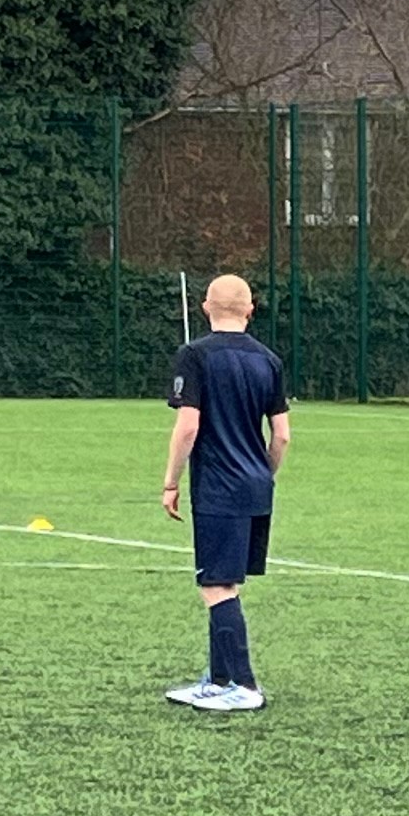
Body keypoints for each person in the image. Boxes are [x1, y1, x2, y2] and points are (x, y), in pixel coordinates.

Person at [157, 272, 289, 713]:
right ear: (250, 310)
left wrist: (172, 481)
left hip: (218, 487)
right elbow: (282, 436)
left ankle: (245, 686)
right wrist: (262, 475)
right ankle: (217, 680)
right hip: (256, 485)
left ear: (205, 307)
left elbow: (188, 425)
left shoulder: (194, 356)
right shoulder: (268, 360)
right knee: (226, 581)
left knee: (215, 586)